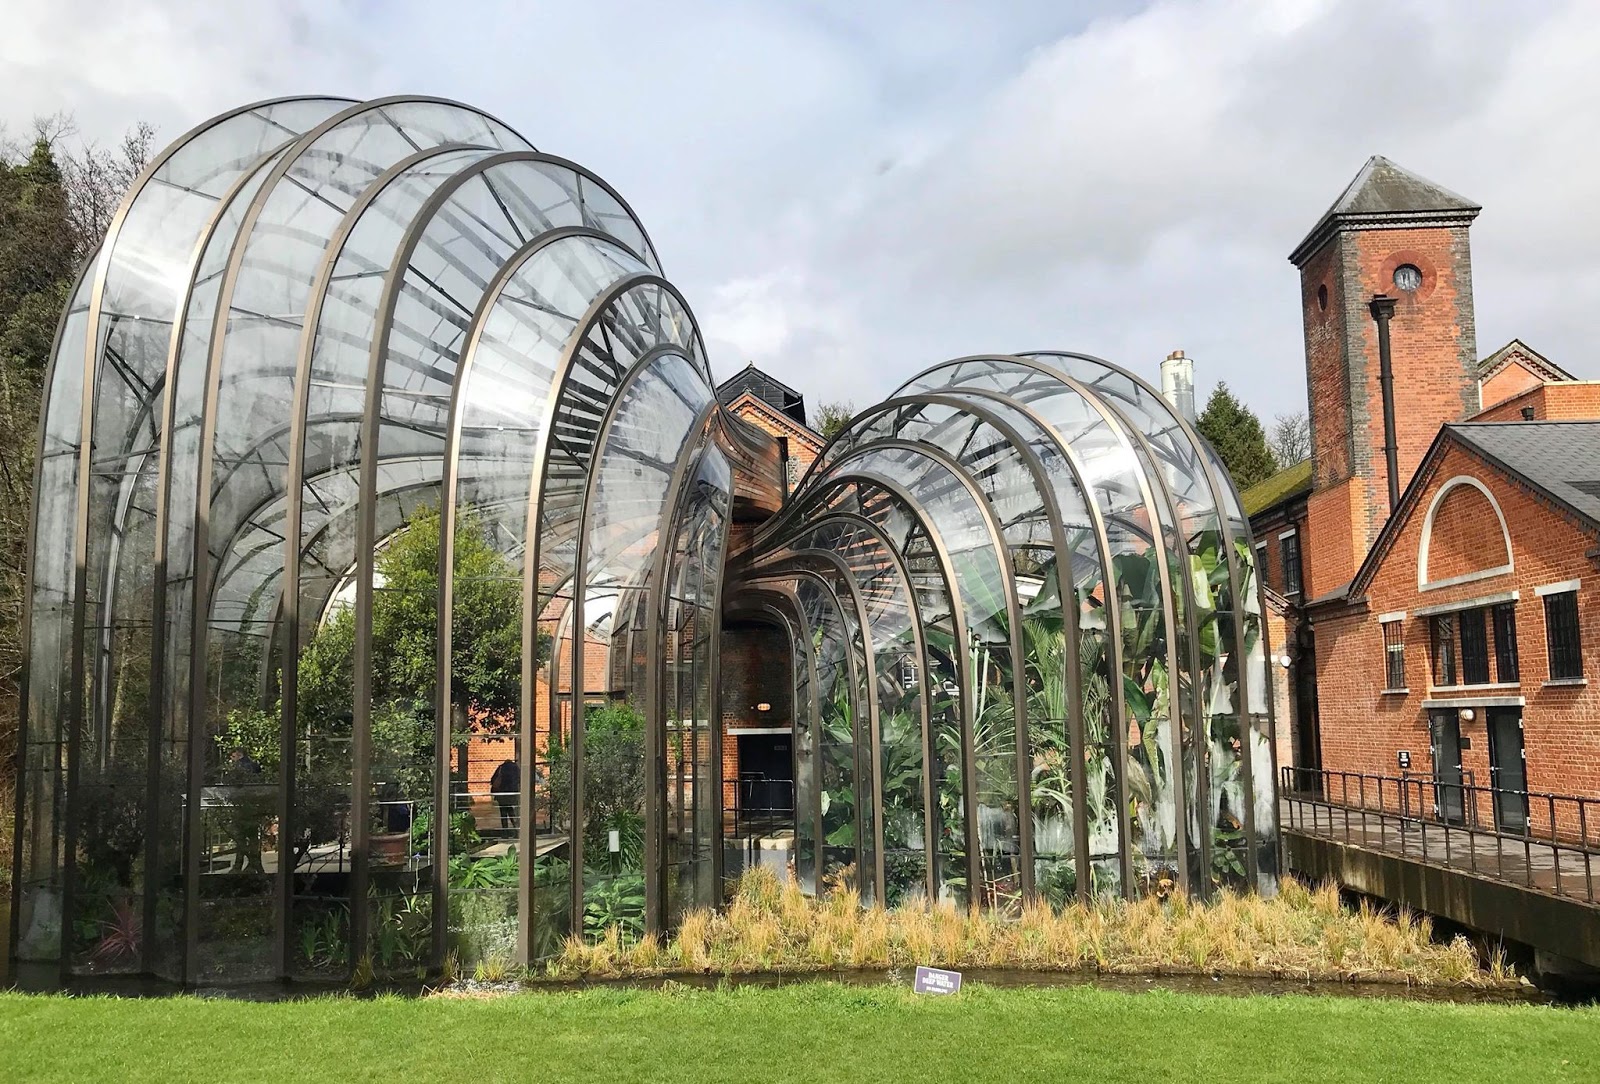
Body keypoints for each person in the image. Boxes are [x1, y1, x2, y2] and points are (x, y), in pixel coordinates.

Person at [489, 758, 520, 830]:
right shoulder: (516, 769)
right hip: (512, 793)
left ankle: (505, 831)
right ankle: (516, 828)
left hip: (502, 793)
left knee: (503, 813)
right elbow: (519, 780)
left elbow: (493, 780)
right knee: (510, 810)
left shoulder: (501, 767)